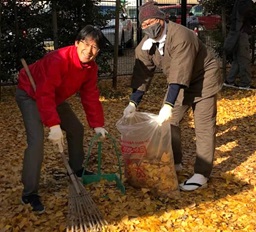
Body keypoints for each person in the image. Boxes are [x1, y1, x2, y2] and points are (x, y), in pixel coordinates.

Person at [123, 1, 223, 191]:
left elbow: (179, 72)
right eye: (144, 25)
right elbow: (142, 75)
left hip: (204, 78)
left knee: (203, 127)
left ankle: (202, 173)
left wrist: (168, 104)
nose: (148, 27)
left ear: (161, 19)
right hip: (180, 81)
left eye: (151, 22)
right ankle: (175, 162)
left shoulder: (182, 36)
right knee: (169, 123)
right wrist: (133, 103)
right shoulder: (145, 46)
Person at [15, 25, 108, 213]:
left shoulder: (90, 67)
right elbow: (44, 92)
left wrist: (97, 124)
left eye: (95, 47)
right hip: (30, 93)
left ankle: (76, 169)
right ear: (76, 43)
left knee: (76, 129)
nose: (89, 51)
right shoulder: (58, 59)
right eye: (86, 44)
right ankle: (29, 193)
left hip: (53, 97)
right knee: (36, 142)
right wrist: (53, 125)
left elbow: (90, 94)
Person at [224, 0, 256, 90]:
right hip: (241, 32)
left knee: (238, 59)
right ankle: (245, 83)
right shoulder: (245, 2)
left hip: (236, 32)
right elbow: (246, 13)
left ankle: (229, 81)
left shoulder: (240, 2)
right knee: (244, 58)